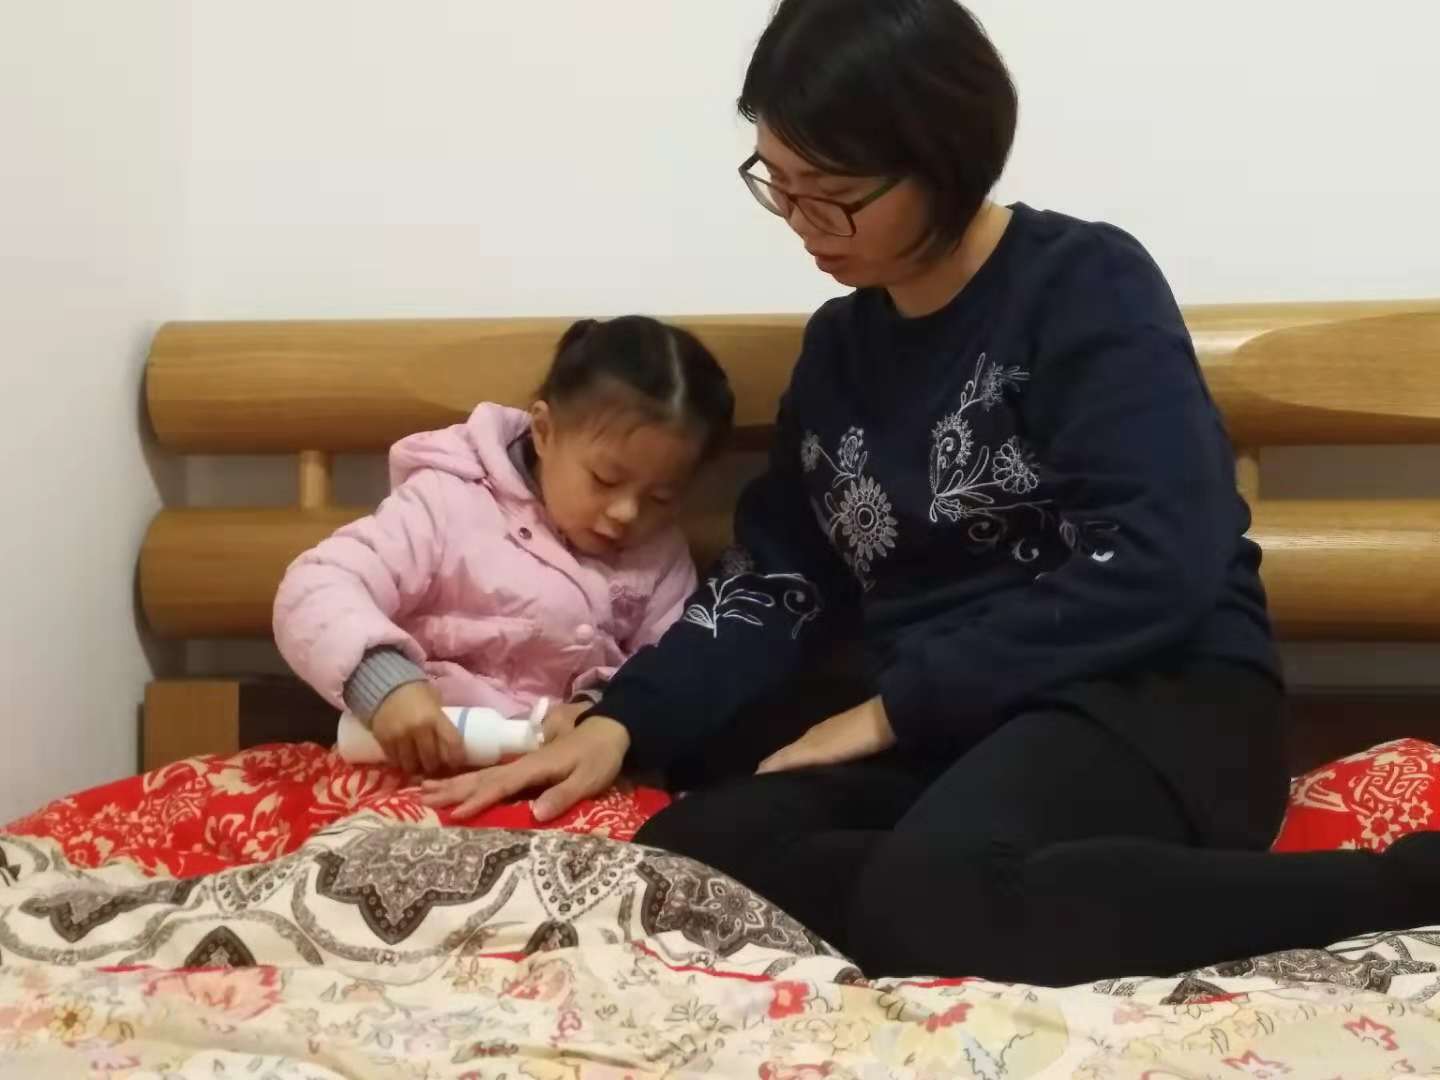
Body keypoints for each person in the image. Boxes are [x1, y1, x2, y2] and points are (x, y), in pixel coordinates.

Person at [420, 0, 1439, 984]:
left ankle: (1403, 886)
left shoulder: (1084, 284)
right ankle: (987, 890)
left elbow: (1161, 553)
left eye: (833, 194)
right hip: (952, 733)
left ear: (943, 162)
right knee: (691, 855)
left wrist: (897, 708)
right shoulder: (838, 352)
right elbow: (780, 578)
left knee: (928, 896)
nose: (802, 223)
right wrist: (625, 720)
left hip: (1149, 697)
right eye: (778, 184)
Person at [275, 315, 734, 779]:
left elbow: (674, 666)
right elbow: (317, 587)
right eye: (605, 479)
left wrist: (604, 708)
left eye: (661, 497)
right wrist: (383, 681)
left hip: (563, 784)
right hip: (424, 769)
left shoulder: (660, 556)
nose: (626, 512)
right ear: (544, 431)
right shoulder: (447, 503)